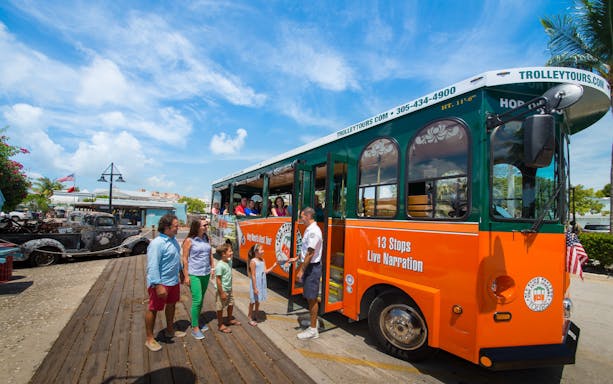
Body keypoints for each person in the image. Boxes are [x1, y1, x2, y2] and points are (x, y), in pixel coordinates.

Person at [145, 214, 185, 352]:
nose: (178, 228)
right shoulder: (157, 244)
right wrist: (157, 285)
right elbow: (152, 266)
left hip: (173, 281)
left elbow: (176, 258)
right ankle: (150, 338)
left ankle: (169, 329)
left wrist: (181, 272)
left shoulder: (173, 240)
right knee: (154, 309)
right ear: (167, 227)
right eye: (176, 226)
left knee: (172, 305)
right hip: (160, 283)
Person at [289, 207, 323, 340]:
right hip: (309, 266)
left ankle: (313, 330)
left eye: (302, 216)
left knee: (312, 298)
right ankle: (312, 323)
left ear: (308, 216)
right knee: (309, 297)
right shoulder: (310, 230)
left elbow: (310, 252)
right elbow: (305, 249)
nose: (301, 219)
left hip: (312, 268)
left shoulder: (314, 231)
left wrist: (301, 270)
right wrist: (297, 258)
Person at [182, 219, 215, 340]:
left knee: (201, 299)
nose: (207, 226)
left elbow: (210, 254)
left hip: (205, 273)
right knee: (197, 299)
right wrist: (186, 276)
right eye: (204, 225)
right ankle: (194, 327)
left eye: (207, 225)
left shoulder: (206, 238)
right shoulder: (189, 241)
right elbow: (185, 259)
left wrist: (212, 268)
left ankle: (198, 320)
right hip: (194, 273)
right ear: (197, 227)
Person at [247, 244, 277, 326]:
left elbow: (265, 271)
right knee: (252, 301)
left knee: (258, 300)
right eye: (261, 249)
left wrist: (273, 266)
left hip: (261, 282)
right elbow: (253, 275)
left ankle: (256, 315)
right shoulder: (253, 261)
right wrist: (254, 288)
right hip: (255, 283)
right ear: (256, 252)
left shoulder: (262, 260)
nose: (263, 251)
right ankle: (249, 317)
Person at [214, 242, 241, 333]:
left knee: (230, 303)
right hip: (222, 290)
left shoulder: (229, 261)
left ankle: (229, 319)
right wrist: (221, 292)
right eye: (230, 251)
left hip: (229, 289)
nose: (232, 252)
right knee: (220, 307)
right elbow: (218, 280)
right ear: (223, 254)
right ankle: (220, 324)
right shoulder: (220, 265)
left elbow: (231, 257)